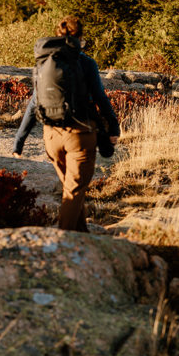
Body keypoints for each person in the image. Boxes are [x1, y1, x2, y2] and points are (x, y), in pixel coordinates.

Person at [12, 16, 120, 231]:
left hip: (51, 135)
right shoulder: (86, 62)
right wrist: (114, 128)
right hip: (78, 135)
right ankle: (63, 243)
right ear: (80, 37)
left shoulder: (43, 61)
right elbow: (100, 97)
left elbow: (34, 103)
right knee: (74, 191)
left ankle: (80, 236)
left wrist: (19, 141)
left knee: (70, 189)